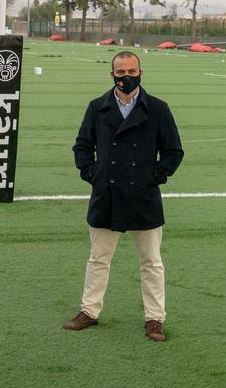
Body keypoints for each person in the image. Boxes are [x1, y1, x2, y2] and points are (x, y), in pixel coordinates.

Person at [66, 51, 184, 341]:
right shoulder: (97, 107)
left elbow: (173, 152)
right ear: (112, 75)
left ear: (141, 72)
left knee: (152, 262)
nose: (127, 77)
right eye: (121, 72)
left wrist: (152, 178)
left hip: (143, 196)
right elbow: (82, 147)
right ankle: (89, 312)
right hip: (106, 195)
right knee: (98, 259)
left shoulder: (158, 108)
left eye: (132, 71)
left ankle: (155, 319)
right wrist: (94, 175)